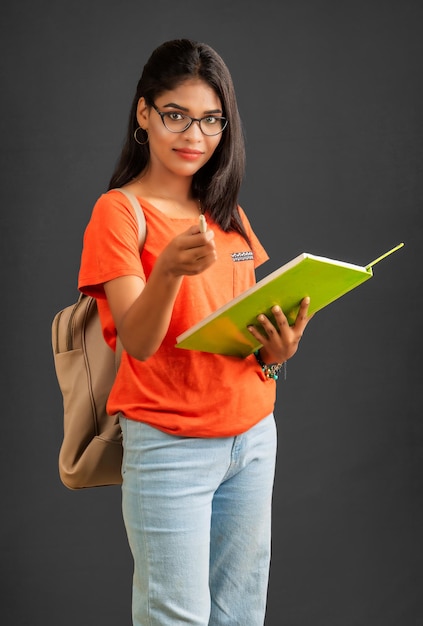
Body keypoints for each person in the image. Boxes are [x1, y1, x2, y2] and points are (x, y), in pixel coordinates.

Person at [78, 38, 312, 626]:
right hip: (170, 444)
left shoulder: (225, 213)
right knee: (175, 617)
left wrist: (277, 352)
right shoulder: (120, 212)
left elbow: (241, 332)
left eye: (211, 119)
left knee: (241, 615)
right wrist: (166, 272)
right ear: (144, 114)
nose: (194, 135)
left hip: (253, 437)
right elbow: (137, 340)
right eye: (176, 115)